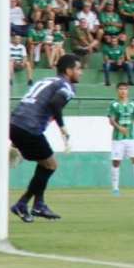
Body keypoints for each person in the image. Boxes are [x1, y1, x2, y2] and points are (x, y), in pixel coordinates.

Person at [8, 54, 82, 222]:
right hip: (30, 128)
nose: (80, 72)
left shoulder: (46, 80)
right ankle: (26, 204)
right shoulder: (67, 86)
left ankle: (36, 204)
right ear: (68, 70)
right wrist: (62, 128)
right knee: (50, 165)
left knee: (45, 164)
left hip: (14, 124)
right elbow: (55, 104)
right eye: (78, 69)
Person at [107, 83, 134, 196]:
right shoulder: (114, 104)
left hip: (131, 137)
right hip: (118, 138)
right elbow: (111, 120)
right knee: (116, 162)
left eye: (125, 89)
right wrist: (119, 128)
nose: (123, 91)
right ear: (117, 91)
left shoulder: (132, 104)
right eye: (121, 89)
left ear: (128, 91)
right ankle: (115, 188)